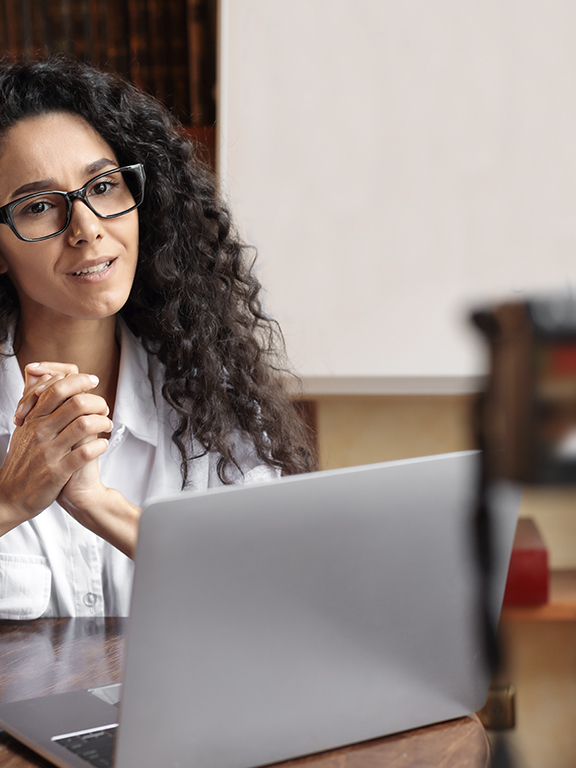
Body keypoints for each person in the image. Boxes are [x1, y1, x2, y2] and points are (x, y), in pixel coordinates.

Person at [0, 55, 314, 619]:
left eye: (103, 185)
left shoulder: (216, 402)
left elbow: (282, 605)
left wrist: (99, 505)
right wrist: (9, 499)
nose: (87, 227)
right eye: (40, 206)